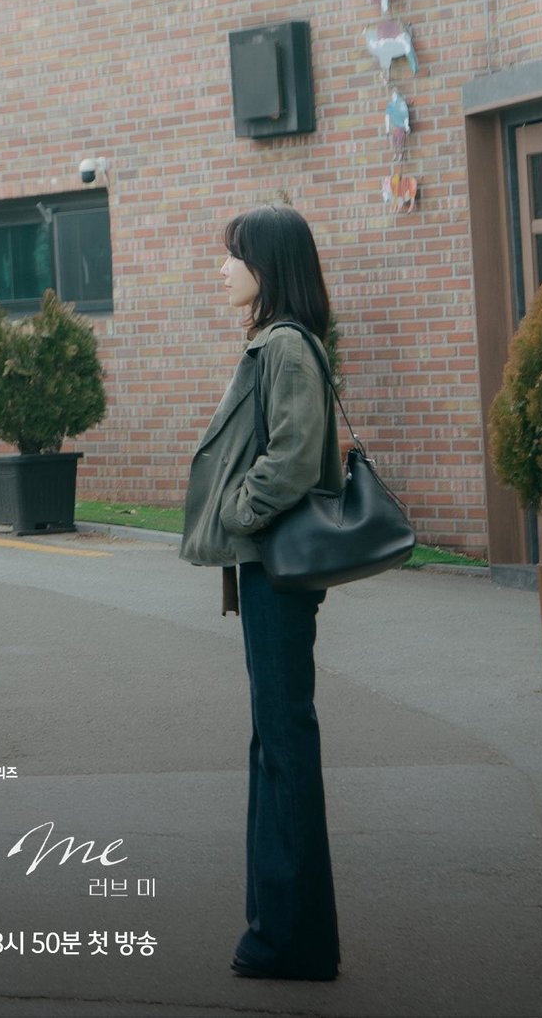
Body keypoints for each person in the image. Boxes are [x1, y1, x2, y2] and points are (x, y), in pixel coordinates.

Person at [180, 204, 342, 982]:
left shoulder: (283, 346)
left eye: (234, 255)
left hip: (277, 568)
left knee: (284, 742)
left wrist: (239, 510)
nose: (222, 269)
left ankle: (293, 940)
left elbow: (293, 456)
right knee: (276, 741)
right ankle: (283, 928)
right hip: (270, 568)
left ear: (267, 266)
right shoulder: (278, 341)